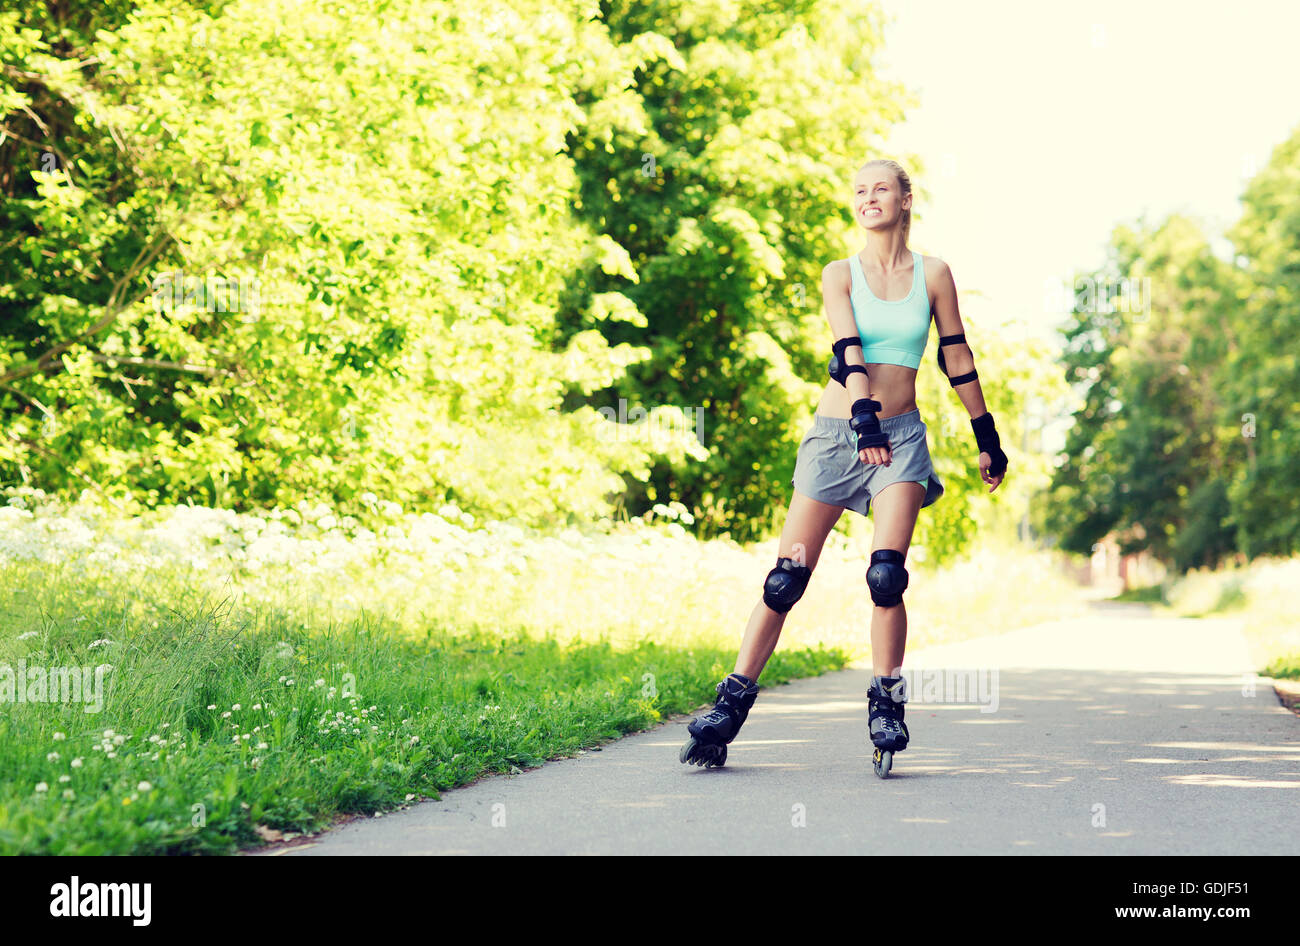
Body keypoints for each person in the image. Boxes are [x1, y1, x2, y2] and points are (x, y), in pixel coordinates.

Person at [680, 158, 1009, 774]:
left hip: (903, 438)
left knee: (886, 576)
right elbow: (846, 350)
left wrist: (985, 433)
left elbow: (956, 353)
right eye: (860, 191)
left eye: (881, 188)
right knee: (786, 579)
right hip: (839, 435)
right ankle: (729, 706)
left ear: (906, 199)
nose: (869, 198)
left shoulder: (934, 274)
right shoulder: (840, 274)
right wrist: (863, 420)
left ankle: (886, 703)